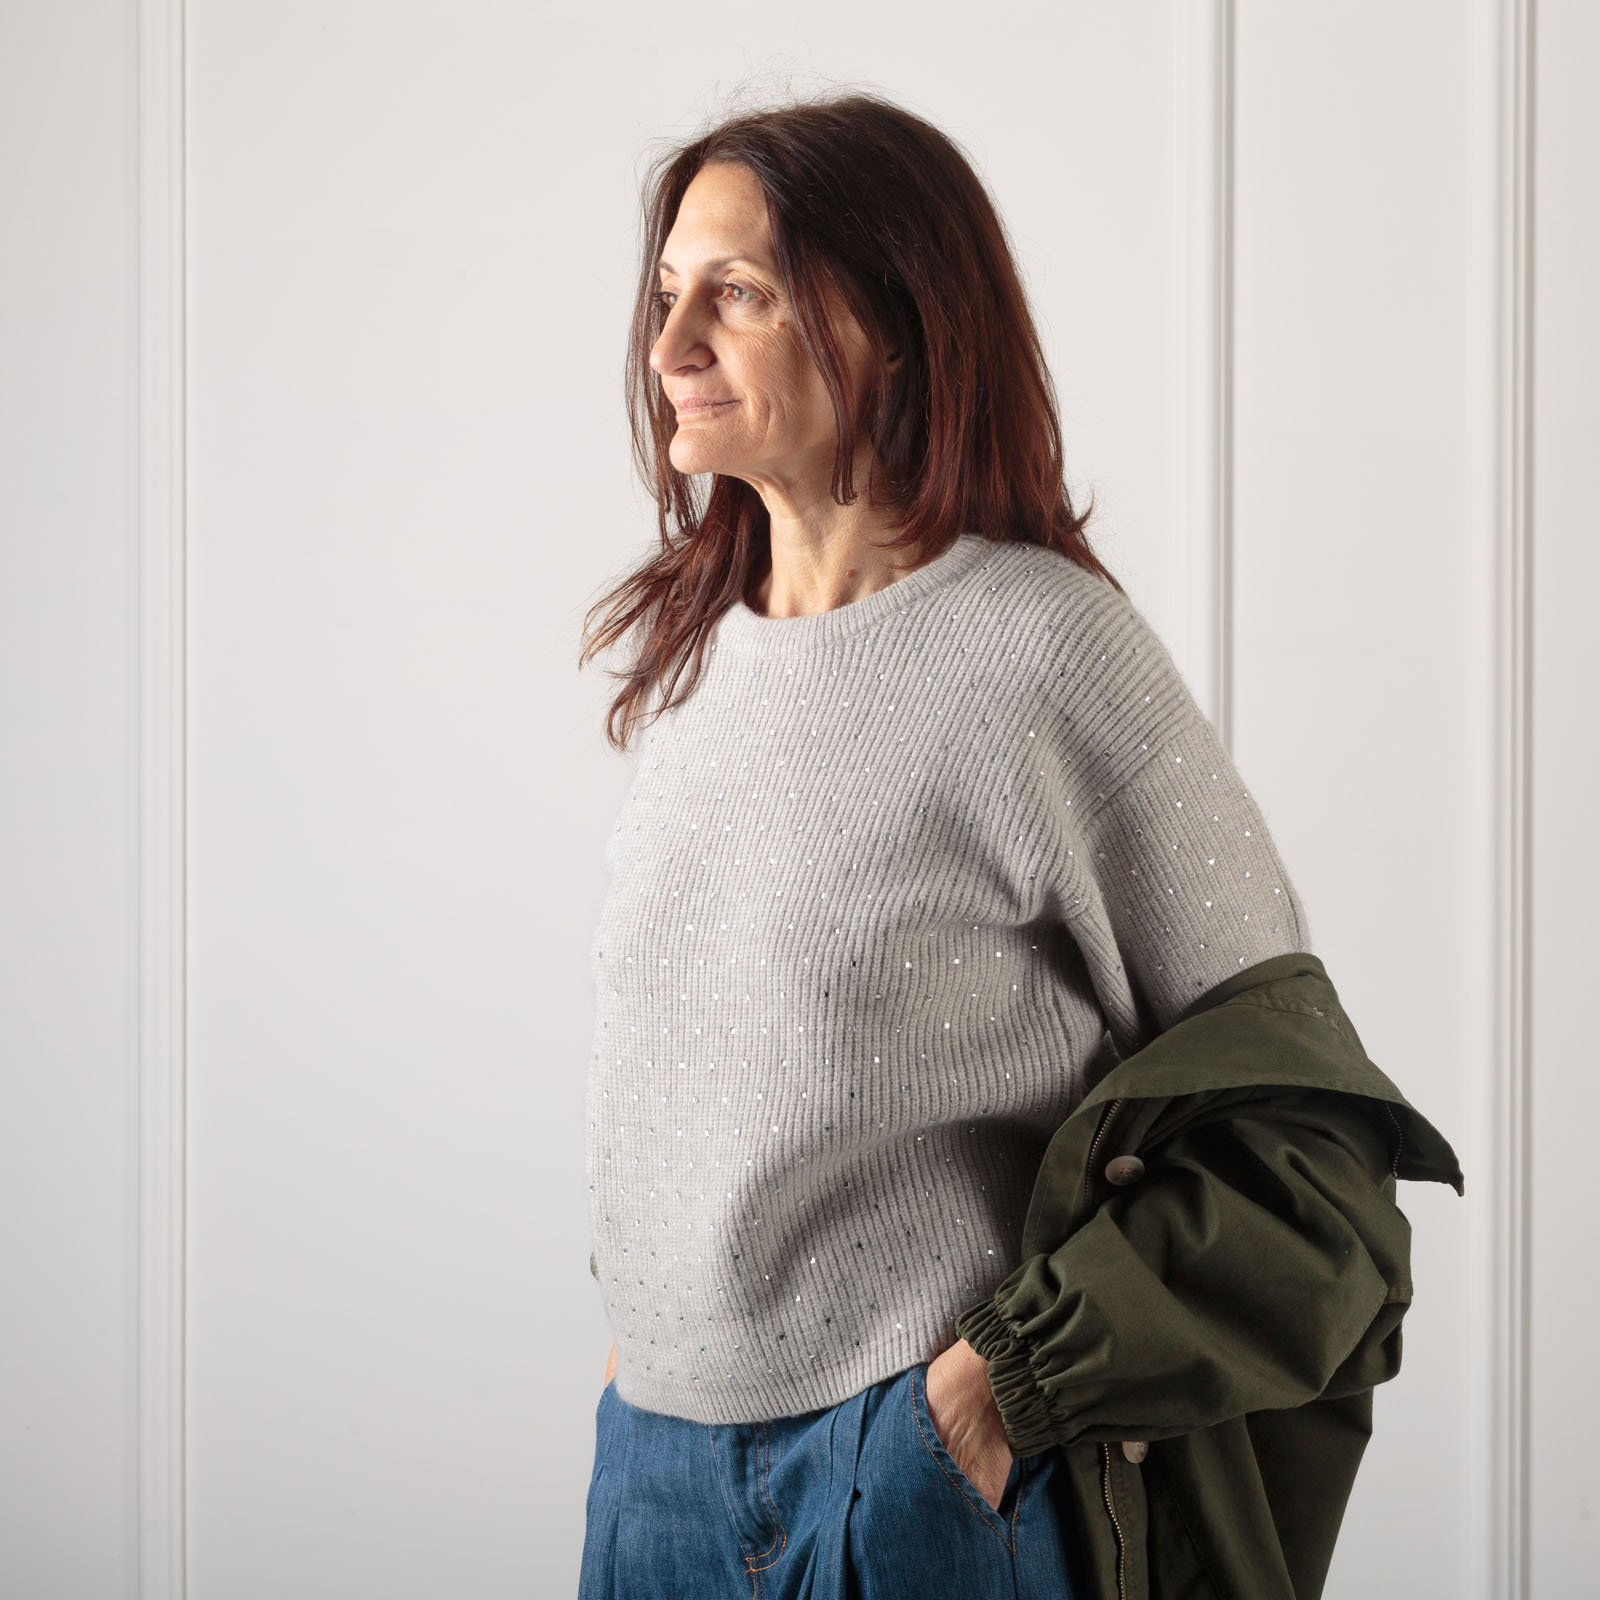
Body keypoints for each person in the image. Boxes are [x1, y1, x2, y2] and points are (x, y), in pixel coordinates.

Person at [572, 91, 1460, 1600]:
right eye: (667, 295)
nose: (671, 349)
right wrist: (639, 1368)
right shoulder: (697, 663)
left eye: (740, 293)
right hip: (652, 1471)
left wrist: (990, 1393)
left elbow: (1312, 1141)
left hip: (911, 1474)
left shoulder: (1045, 655)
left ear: (898, 328)